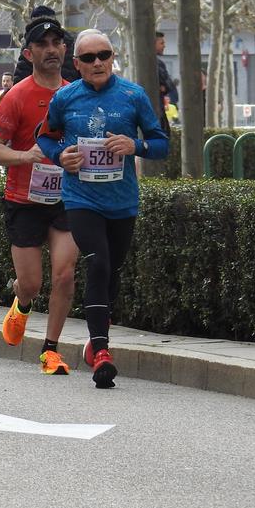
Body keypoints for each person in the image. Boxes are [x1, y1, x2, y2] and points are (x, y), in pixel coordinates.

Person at [36, 29, 168, 389]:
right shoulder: (65, 98)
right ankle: (102, 351)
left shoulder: (133, 95)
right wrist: (60, 156)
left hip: (122, 201)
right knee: (99, 262)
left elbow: (161, 144)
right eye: (89, 57)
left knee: (112, 273)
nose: (98, 63)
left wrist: (135, 145)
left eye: (104, 55)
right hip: (81, 198)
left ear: (112, 57)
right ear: (76, 64)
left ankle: (95, 342)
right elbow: (45, 136)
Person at [0, 17, 78, 376]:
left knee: (66, 275)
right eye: (43, 44)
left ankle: (50, 350)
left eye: (57, 43)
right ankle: (21, 305)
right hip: (24, 201)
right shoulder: (17, 97)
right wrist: (26, 156)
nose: (51, 49)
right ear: (29, 52)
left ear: (65, 50)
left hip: (65, 199)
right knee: (32, 283)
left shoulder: (75, 94)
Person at [13, 5, 79, 83]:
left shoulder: (69, 42)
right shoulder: (69, 40)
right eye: (41, 44)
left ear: (64, 48)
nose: (51, 50)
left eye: (56, 43)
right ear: (28, 54)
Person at [155, 32, 178, 106]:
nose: (164, 46)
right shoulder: (158, 64)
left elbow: (168, 86)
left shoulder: (159, 63)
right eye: (161, 43)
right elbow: (168, 85)